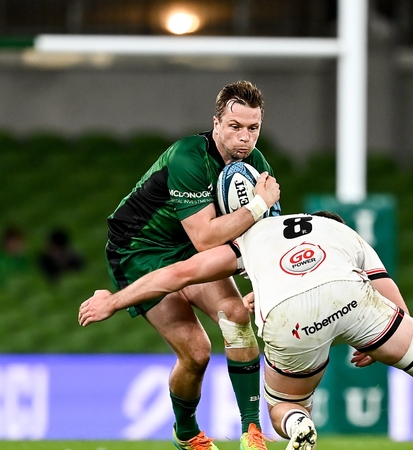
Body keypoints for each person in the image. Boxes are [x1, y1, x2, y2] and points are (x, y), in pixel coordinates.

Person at [80, 210, 413, 450]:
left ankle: (298, 428)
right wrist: (386, 339)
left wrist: (115, 300)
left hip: (287, 313)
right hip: (350, 295)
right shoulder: (346, 235)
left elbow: (179, 274)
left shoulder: (254, 235)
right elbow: (388, 291)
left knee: (287, 404)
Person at [104, 80, 281, 450]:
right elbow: (205, 238)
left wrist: (260, 288)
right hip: (139, 248)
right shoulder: (188, 157)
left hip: (186, 246)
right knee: (197, 353)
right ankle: (186, 433)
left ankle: (252, 433)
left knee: (235, 315)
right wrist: (258, 206)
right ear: (216, 123)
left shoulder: (255, 163)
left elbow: (264, 238)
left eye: (253, 128)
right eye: (235, 127)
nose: (244, 138)